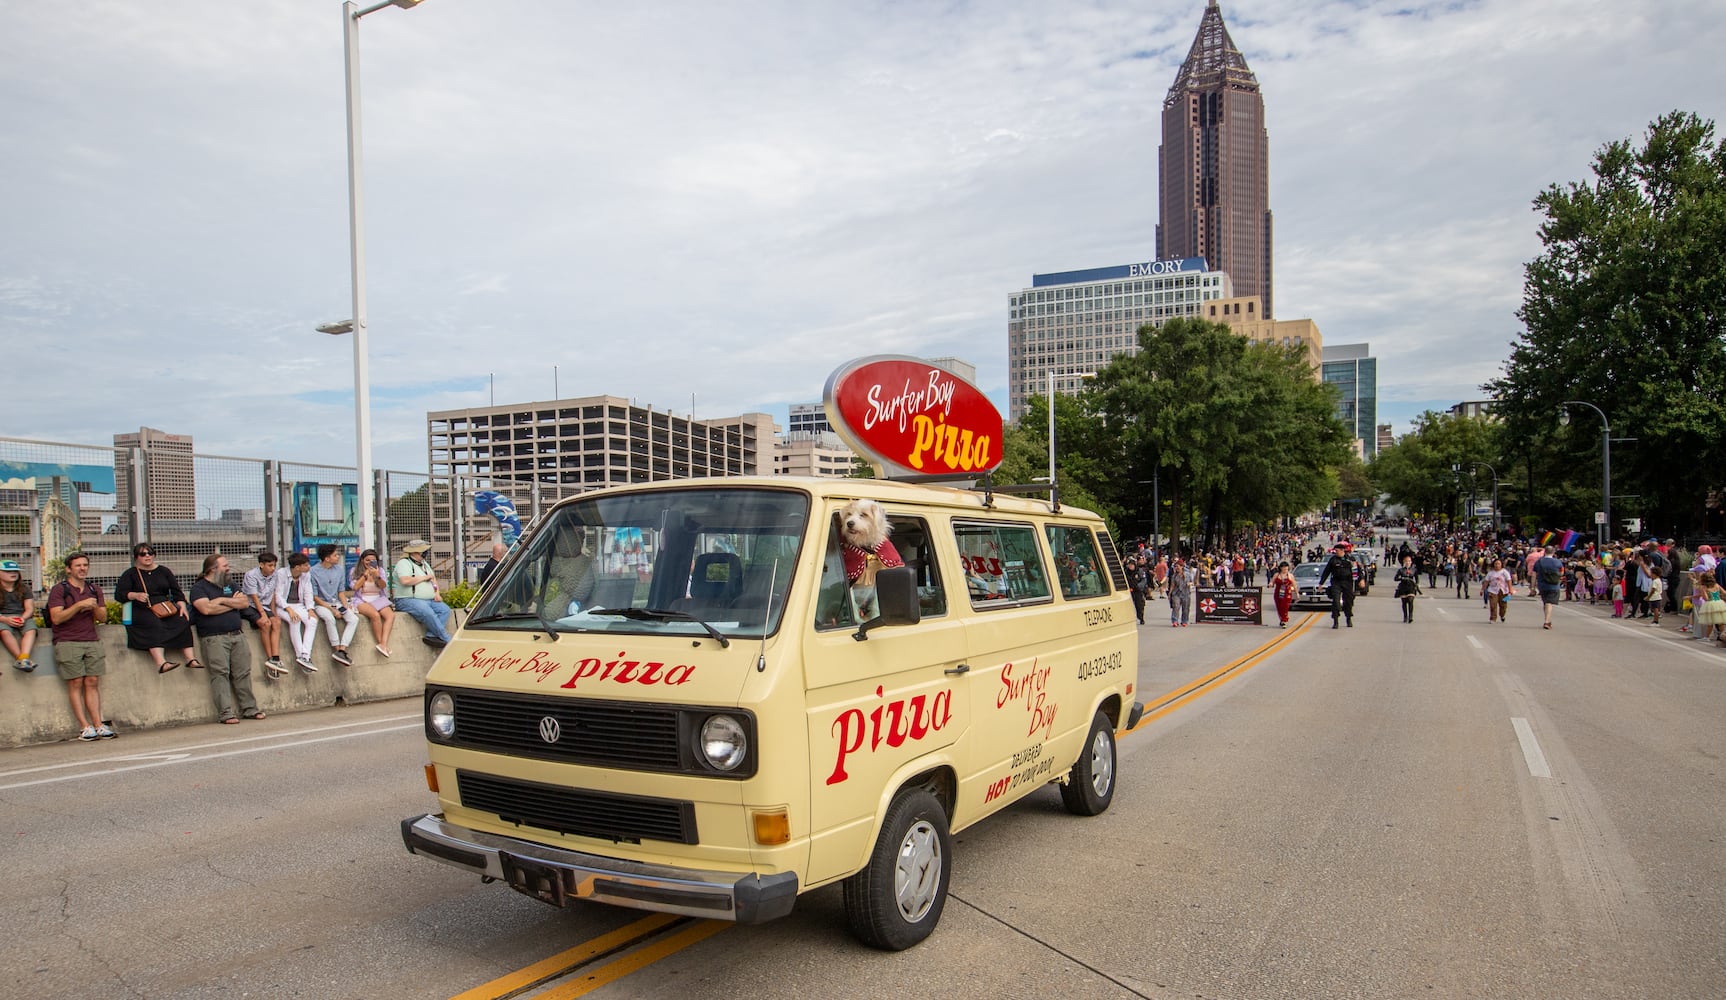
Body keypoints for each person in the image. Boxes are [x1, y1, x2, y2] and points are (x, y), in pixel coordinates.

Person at [45, 553, 114, 740]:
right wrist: (78, 605)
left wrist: (92, 607)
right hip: (67, 641)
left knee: (92, 681)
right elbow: (56, 618)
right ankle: (85, 727)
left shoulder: (94, 589)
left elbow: (102, 618)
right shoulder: (60, 590)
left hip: (91, 639)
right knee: (75, 682)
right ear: (68, 569)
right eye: (78, 565)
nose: (82, 568)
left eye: (85, 565)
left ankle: (98, 724)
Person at [189, 553, 262, 724]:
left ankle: (250, 709)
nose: (228, 568)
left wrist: (220, 603)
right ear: (212, 569)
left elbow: (244, 603)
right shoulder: (199, 588)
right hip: (214, 638)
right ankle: (226, 713)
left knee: (243, 673)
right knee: (220, 674)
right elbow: (206, 610)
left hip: (237, 635)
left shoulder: (230, 584)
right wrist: (227, 601)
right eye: (225, 565)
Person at [116, 543, 198, 673]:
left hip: (164, 606)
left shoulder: (164, 571)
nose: (147, 556)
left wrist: (182, 604)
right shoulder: (130, 573)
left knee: (182, 621)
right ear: (137, 557)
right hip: (142, 607)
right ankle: (161, 662)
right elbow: (119, 594)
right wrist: (134, 595)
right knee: (153, 624)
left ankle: (190, 659)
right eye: (143, 554)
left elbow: (176, 591)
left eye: (150, 553)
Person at [393, 539, 453, 647]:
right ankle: (446, 638)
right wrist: (424, 577)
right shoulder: (404, 563)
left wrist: (437, 593)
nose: (426, 553)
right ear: (415, 552)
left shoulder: (424, 564)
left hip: (429, 599)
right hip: (407, 599)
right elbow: (405, 581)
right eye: (423, 551)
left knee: (444, 610)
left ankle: (431, 635)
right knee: (427, 612)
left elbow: (433, 579)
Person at [308, 544, 359, 666]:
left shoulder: (339, 570)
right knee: (329, 618)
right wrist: (331, 609)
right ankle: (336, 649)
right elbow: (314, 596)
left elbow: (341, 591)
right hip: (321, 604)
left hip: (336, 602)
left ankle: (342, 649)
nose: (338, 557)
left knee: (353, 619)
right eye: (335, 555)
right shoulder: (313, 572)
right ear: (327, 558)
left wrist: (345, 606)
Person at [242, 552, 286, 675]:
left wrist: (273, 612)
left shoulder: (275, 575)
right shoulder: (251, 575)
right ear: (261, 565)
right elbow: (254, 597)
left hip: (265, 605)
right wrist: (264, 614)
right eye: (270, 565)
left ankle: (276, 657)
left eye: (274, 565)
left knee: (276, 622)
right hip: (250, 605)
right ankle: (270, 658)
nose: (273, 568)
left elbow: (272, 594)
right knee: (265, 623)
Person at [275, 552, 320, 672]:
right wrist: (288, 609)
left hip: (299, 605)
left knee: (312, 621)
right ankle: (300, 655)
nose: (308, 567)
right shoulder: (281, 574)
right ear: (297, 567)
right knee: (294, 620)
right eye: (305, 565)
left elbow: (308, 592)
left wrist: (310, 609)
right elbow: (278, 596)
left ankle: (306, 655)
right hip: (282, 606)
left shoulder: (306, 575)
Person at [349, 549, 396, 657]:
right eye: (367, 560)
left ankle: (383, 643)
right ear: (362, 560)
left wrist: (377, 576)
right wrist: (365, 575)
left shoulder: (380, 571)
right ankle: (381, 644)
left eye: (373, 560)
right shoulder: (354, 571)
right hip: (362, 599)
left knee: (390, 615)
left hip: (378, 598)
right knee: (375, 615)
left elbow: (383, 586)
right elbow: (355, 587)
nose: (369, 562)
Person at [0, 559, 39, 672]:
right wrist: (5, 619)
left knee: (30, 629)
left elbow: (30, 608)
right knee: (4, 632)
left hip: (22, 616)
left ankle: (24, 657)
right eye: (8, 571)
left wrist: (23, 618)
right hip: (2, 617)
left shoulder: (24, 588)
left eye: (16, 571)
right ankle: (20, 659)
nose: (13, 573)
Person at [1318, 543, 1356, 629]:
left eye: (1337, 551)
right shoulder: (1333, 560)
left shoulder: (1350, 559)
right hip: (1336, 582)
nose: (1336, 552)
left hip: (1347, 582)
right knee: (1335, 601)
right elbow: (1326, 572)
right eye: (1335, 551)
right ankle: (1335, 621)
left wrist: (1361, 580)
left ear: (1342, 550)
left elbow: (1357, 570)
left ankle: (1348, 618)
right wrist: (1321, 583)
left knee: (1348, 602)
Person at [1534, 544, 1565, 630]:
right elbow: (1562, 573)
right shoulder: (1558, 562)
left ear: (1545, 552)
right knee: (1549, 602)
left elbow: (1534, 574)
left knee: (1546, 602)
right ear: (1553, 552)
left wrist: (1532, 587)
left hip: (1542, 585)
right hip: (1554, 585)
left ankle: (1547, 619)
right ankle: (1547, 621)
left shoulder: (1539, 562)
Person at [1483, 557, 1512, 623]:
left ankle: (1502, 615)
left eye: (1498, 564)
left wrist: (1510, 590)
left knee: (1503, 605)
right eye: (1496, 564)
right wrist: (1483, 589)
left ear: (1501, 564)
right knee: (1493, 605)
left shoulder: (1505, 572)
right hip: (1493, 590)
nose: (1497, 565)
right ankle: (1493, 618)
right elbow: (1486, 581)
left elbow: (1509, 581)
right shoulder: (1490, 573)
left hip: (1504, 591)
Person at [1394, 555, 1421, 623]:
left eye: (1409, 561)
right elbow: (1395, 578)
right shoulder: (1401, 570)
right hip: (1403, 587)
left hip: (1411, 586)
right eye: (1406, 561)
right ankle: (1405, 616)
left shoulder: (1414, 570)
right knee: (1404, 602)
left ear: (1411, 562)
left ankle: (1411, 616)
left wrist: (1416, 584)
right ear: (1404, 562)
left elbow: (1417, 578)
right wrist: (1401, 578)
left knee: (1410, 600)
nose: (1407, 562)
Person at [1269, 561, 1295, 629]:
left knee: (1285, 607)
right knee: (1279, 607)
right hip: (1278, 593)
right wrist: (1271, 584)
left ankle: (1284, 620)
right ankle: (1281, 619)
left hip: (1287, 593)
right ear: (1281, 568)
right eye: (1284, 568)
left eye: (1286, 568)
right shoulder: (1277, 575)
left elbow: (1294, 584)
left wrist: (1297, 593)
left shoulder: (1290, 575)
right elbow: (1272, 582)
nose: (1285, 569)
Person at [1167, 557, 1191, 627]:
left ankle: (1184, 621)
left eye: (1177, 567)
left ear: (1182, 567)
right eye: (1175, 567)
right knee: (1176, 606)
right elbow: (1172, 585)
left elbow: (1192, 582)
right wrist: (1170, 593)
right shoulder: (1174, 576)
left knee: (1185, 608)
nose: (1176, 568)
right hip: (1176, 593)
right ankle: (1175, 621)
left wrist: (1189, 584)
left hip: (1186, 593)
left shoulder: (1187, 574)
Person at [1126, 554, 1150, 625]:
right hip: (1130, 590)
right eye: (1129, 565)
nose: (1130, 566)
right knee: (1129, 605)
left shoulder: (1139, 571)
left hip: (1138, 590)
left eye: (1132, 565)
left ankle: (1141, 617)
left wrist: (1139, 586)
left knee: (1139, 605)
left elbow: (1143, 580)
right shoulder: (1126, 572)